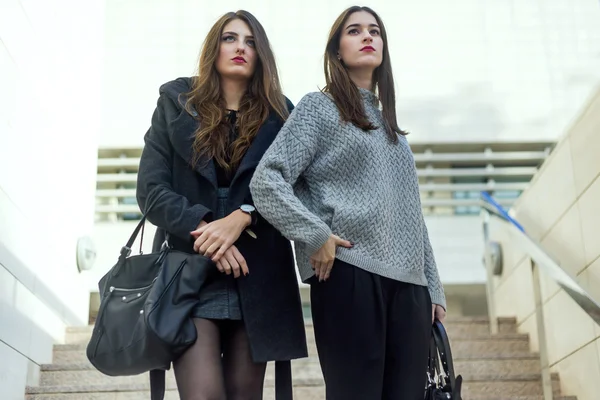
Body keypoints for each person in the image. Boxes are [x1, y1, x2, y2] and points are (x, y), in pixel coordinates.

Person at [250, 6, 447, 400]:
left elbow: (411, 214)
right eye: (354, 31)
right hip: (350, 274)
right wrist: (315, 235)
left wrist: (434, 289)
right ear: (337, 50)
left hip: (409, 288)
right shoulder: (318, 108)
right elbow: (267, 180)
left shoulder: (391, 125)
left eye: (374, 30)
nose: (367, 36)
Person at [136, 10, 307, 400]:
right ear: (214, 48)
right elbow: (151, 190)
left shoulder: (282, 114)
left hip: (258, 277)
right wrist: (212, 232)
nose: (240, 48)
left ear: (261, 55)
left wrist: (243, 217)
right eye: (230, 38)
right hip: (190, 275)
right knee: (203, 395)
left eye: (250, 42)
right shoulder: (175, 104)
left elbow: (294, 189)